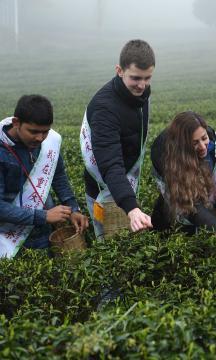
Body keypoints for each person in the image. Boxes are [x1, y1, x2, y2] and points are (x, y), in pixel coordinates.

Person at [81, 39, 154, 237]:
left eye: (148, 78)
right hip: (103, 186)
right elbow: (110, 163)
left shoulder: (141, 94)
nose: (142, 85)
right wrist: (131, 207)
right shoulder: (105, 109)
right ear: (119, 71)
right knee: (109, 242)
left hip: (124, 183)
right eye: (136, 78)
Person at [1, 95, 88, 258]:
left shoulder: (48, 143)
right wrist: (43, 215)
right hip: (9, 238)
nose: (40, 138)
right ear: (16, 123)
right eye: (33, 132)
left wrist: (73, 209)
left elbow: (58, 175)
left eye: (45, 132)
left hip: (43, 232)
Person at [150, 111, 216, 237]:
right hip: (175, 225)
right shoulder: (169, 161)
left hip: (208, 213)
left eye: (204, 138)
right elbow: (190, 205)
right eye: (194, 143)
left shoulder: (215, 143)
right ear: (183, 145)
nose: (203, 146)